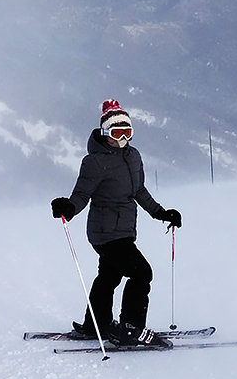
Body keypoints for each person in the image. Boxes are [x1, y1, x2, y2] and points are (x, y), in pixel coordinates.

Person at [51, 99, 182, 348]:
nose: (122, 138)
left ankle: (96, 325)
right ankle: (131, 328)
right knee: (141, 272)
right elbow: (81, 195)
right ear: (105, 132)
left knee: (109, 276)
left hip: (124, 230)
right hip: (105, 232)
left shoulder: (133, 157)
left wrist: (162, 213)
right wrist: (68, 207)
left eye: (127, 132)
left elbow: (139, 190)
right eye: (116, 132)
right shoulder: (95, 161)